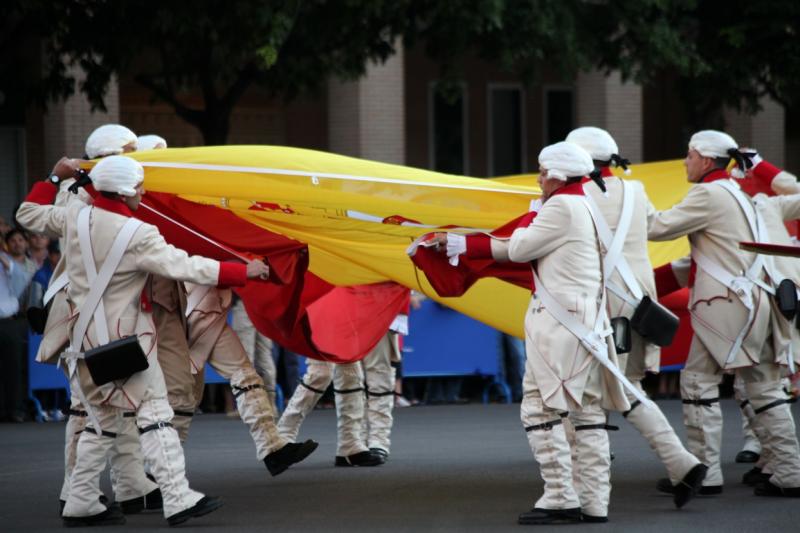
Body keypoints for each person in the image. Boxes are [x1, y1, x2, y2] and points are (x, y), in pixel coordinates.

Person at [16, 154, 269, 526]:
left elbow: (28, 214)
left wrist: (54, 177)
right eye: (138, 185)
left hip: (84, 342)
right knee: (156, 415)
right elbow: (183, 265)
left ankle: (81, 501)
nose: (143, 191)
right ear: (121, 189)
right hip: (127, 343)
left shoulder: (72, 216)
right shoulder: (138, 233)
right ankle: (178, 497)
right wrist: (242, 271)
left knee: (101, 421)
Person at [433, 141, 631, 524]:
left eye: (542, 173)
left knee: (540, 407)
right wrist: (463, 242)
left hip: (560, 326)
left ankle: (560, 496)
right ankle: (593, 501)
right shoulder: (585, 202)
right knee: (587, 413)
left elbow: (520, 248)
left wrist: (461, 242)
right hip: (585, 324)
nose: (538, 179)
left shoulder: (559, 206)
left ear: (556, 176)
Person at [647, 130, 800, 497]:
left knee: (698, 382)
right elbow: (697, 261)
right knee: (764, 387)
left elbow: (657, 227)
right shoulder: (742, 195)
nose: (685, 161)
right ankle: (790, 473)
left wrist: (625, 204)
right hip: (756, 303)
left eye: (688, 155)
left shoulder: (709, 193)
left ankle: (707, 473)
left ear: (703, 158)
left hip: (726, 307)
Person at [565, 126, 706, 507]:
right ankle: (681, 464)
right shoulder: (636, 189)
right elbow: (656, 229)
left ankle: (580, 491)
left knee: (581, 394)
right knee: (628, 391)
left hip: (596, 309)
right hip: (637, 306)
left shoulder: (573, 196)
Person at [184, 283, 318, 474]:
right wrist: (241, 272)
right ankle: (154, 476)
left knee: (245, 375)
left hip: (208, 308)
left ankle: (273, 449)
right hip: (180, 314)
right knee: (182, 401)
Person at [0, 240, 32, 422]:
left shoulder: (8, 261)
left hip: (8, 322)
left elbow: (21, 279)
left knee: (13, 367)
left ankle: (16, 409)